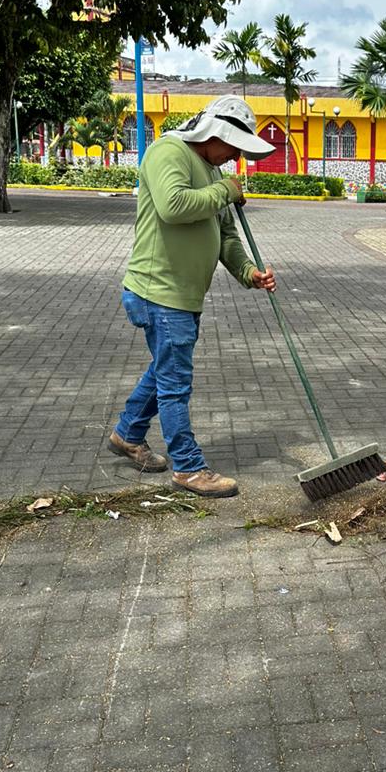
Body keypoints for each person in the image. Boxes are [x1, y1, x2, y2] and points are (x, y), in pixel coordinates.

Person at [107, 97, 277, 497]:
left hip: (182, 296)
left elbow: (227, 237)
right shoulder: (169, 152)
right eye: (234, 147)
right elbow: (173, 206)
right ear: (216, 133)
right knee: (175, 382)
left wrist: (248, 272)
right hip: (159, 292)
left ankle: (127, 433)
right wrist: (224, 191)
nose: (236, 157)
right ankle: (188, 467)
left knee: (165, 369)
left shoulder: (213, 170)